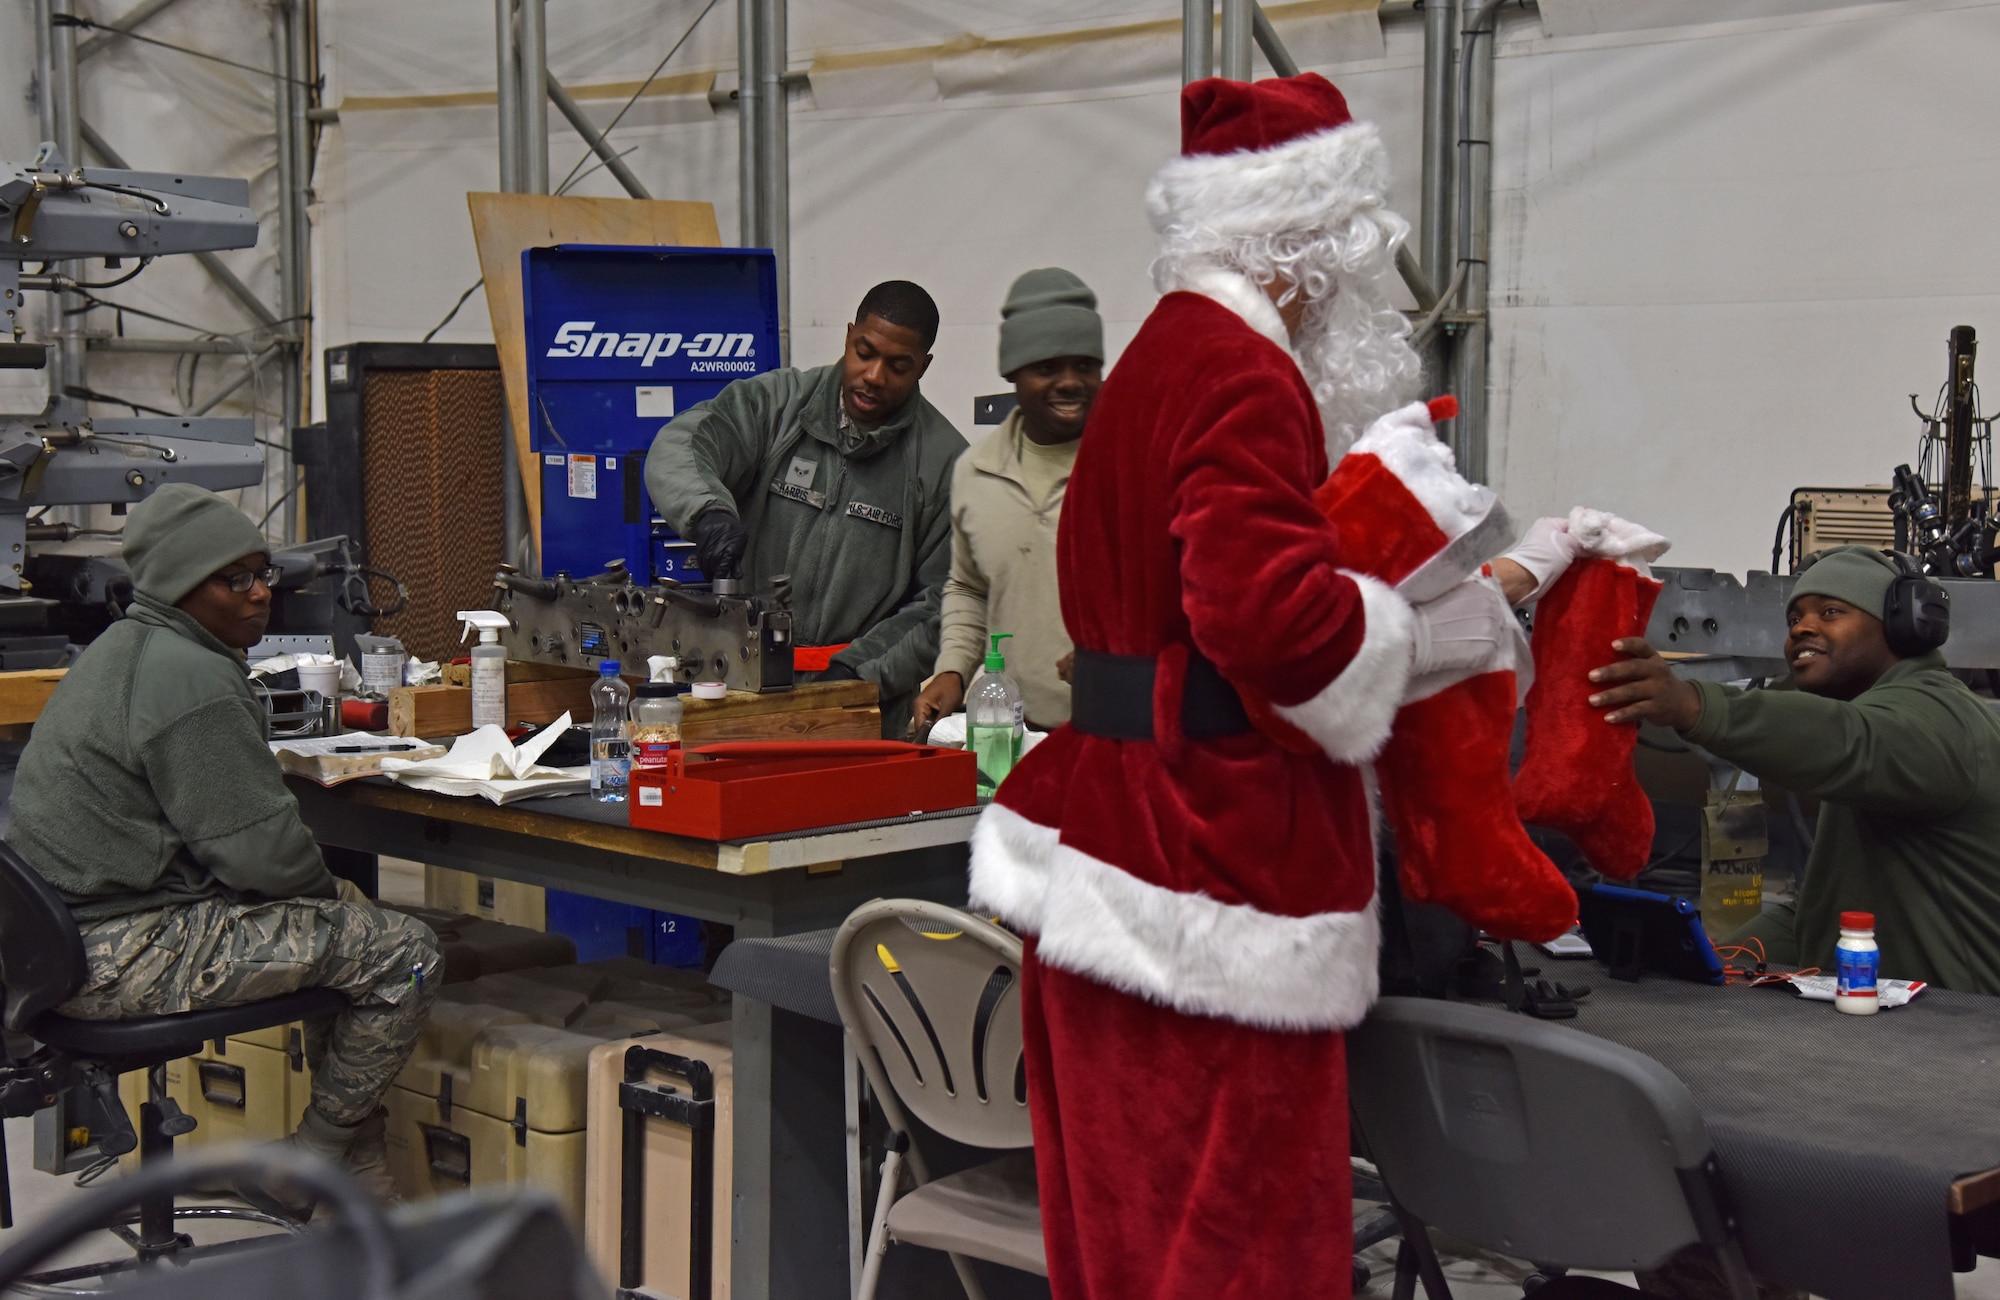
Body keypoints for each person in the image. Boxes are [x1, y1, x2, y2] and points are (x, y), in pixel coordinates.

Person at [965, 73, 1520, 1297]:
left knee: (1122, 1242)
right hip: (1211, 878)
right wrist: (1449, 626)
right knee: (1241, 1251)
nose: (1357, 286)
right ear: (1305, 243)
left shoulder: (1150, 365)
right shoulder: (1240, 373)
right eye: (1354, 252)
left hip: (1101, 846)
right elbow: (1270, 629)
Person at [6, 484, 441, 1203]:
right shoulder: (193, 677)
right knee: (406, 954)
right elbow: (264, 858)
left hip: (58, 946)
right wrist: (333, 896)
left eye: (262, 573)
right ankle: (315, 1158)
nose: (258, 595)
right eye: (232, 580)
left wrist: (333, 905)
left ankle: (354, 1172)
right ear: (181, 588)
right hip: (121, 953)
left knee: (348, 928)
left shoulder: (125, 646)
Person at [1586, 543, 2000, 995]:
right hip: (1899, 1031)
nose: (1803, 627)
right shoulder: (1883, 725)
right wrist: (1708, 959)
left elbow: (1844, 740)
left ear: (1901, 627)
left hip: (1960, 1037)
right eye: (1794, 619)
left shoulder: (1939, 717)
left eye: (1830, 611)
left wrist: (1691, 704)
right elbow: (1816, 916)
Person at [645, 280, 965, 734]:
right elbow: (684, 443)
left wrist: (856, 674)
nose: (874, 376)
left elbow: (942, 603)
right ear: (849, 334)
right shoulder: (777, 406)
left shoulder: (944, 464)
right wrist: (708, 513)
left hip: (862, 711)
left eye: (898, 365)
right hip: (740, 689)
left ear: (923, 367)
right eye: (865, 351)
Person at [912, 267, 1104, 734]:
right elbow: (969, 587)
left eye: (1085, 365)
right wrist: (953, 668)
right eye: (1046, 368)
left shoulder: (1133, 465)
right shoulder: (977, 471)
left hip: (1119, 734)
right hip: (1017, 735)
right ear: (1012, 373)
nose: (1069, 382)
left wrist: (1121, 658)